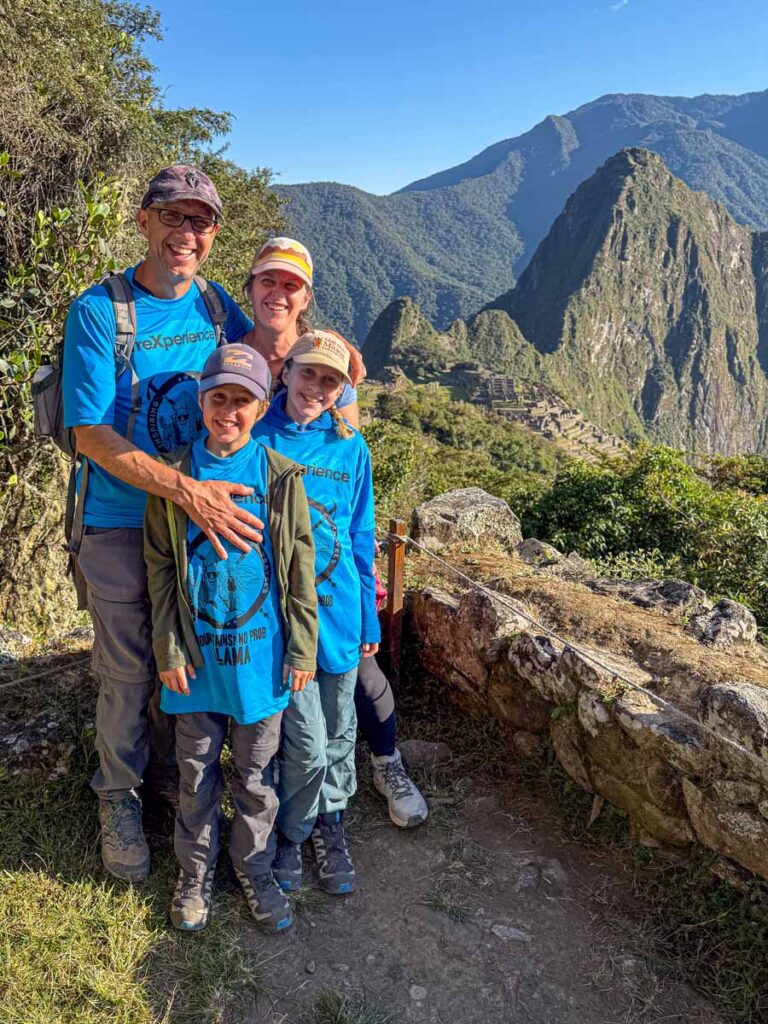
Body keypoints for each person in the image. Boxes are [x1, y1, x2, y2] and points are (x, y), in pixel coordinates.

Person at [244, 238, 427, 831]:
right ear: (249, 287)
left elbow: (355, 523)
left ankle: (363, 787)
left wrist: (369, 613)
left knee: (351, 695)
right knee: (291, 726)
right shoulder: (247, 403)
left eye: (290, 285)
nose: (278, 293)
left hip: (335, 600)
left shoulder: (345, 436)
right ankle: (281, 822)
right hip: (270, 606)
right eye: (268, 281)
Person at [144, 343, 318, 933]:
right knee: (194, 778)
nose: (229, 411)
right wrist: (168, 648)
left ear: (261, 405)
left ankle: (254, 868)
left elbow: (297, 567)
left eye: (242, 400)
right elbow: (162, 570)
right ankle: (194, 875)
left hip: (261, 665)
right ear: (202, 401)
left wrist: (301, 648)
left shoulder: (277, 477)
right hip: (196, 665)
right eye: (219, 397)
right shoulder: (175, 476)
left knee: (255, 779)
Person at [252, 331, 379, 894]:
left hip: (343, 618)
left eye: (331, 381)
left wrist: (370, 618)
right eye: (308, 374)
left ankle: (330, 827)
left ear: (341, 390)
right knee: (303, 741)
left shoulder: (351, 447)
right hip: (287, 624)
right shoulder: (256, 438)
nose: (317, 387)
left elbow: (360, 533)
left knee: (340, 733)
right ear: (287, 372)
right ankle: (291, 831)